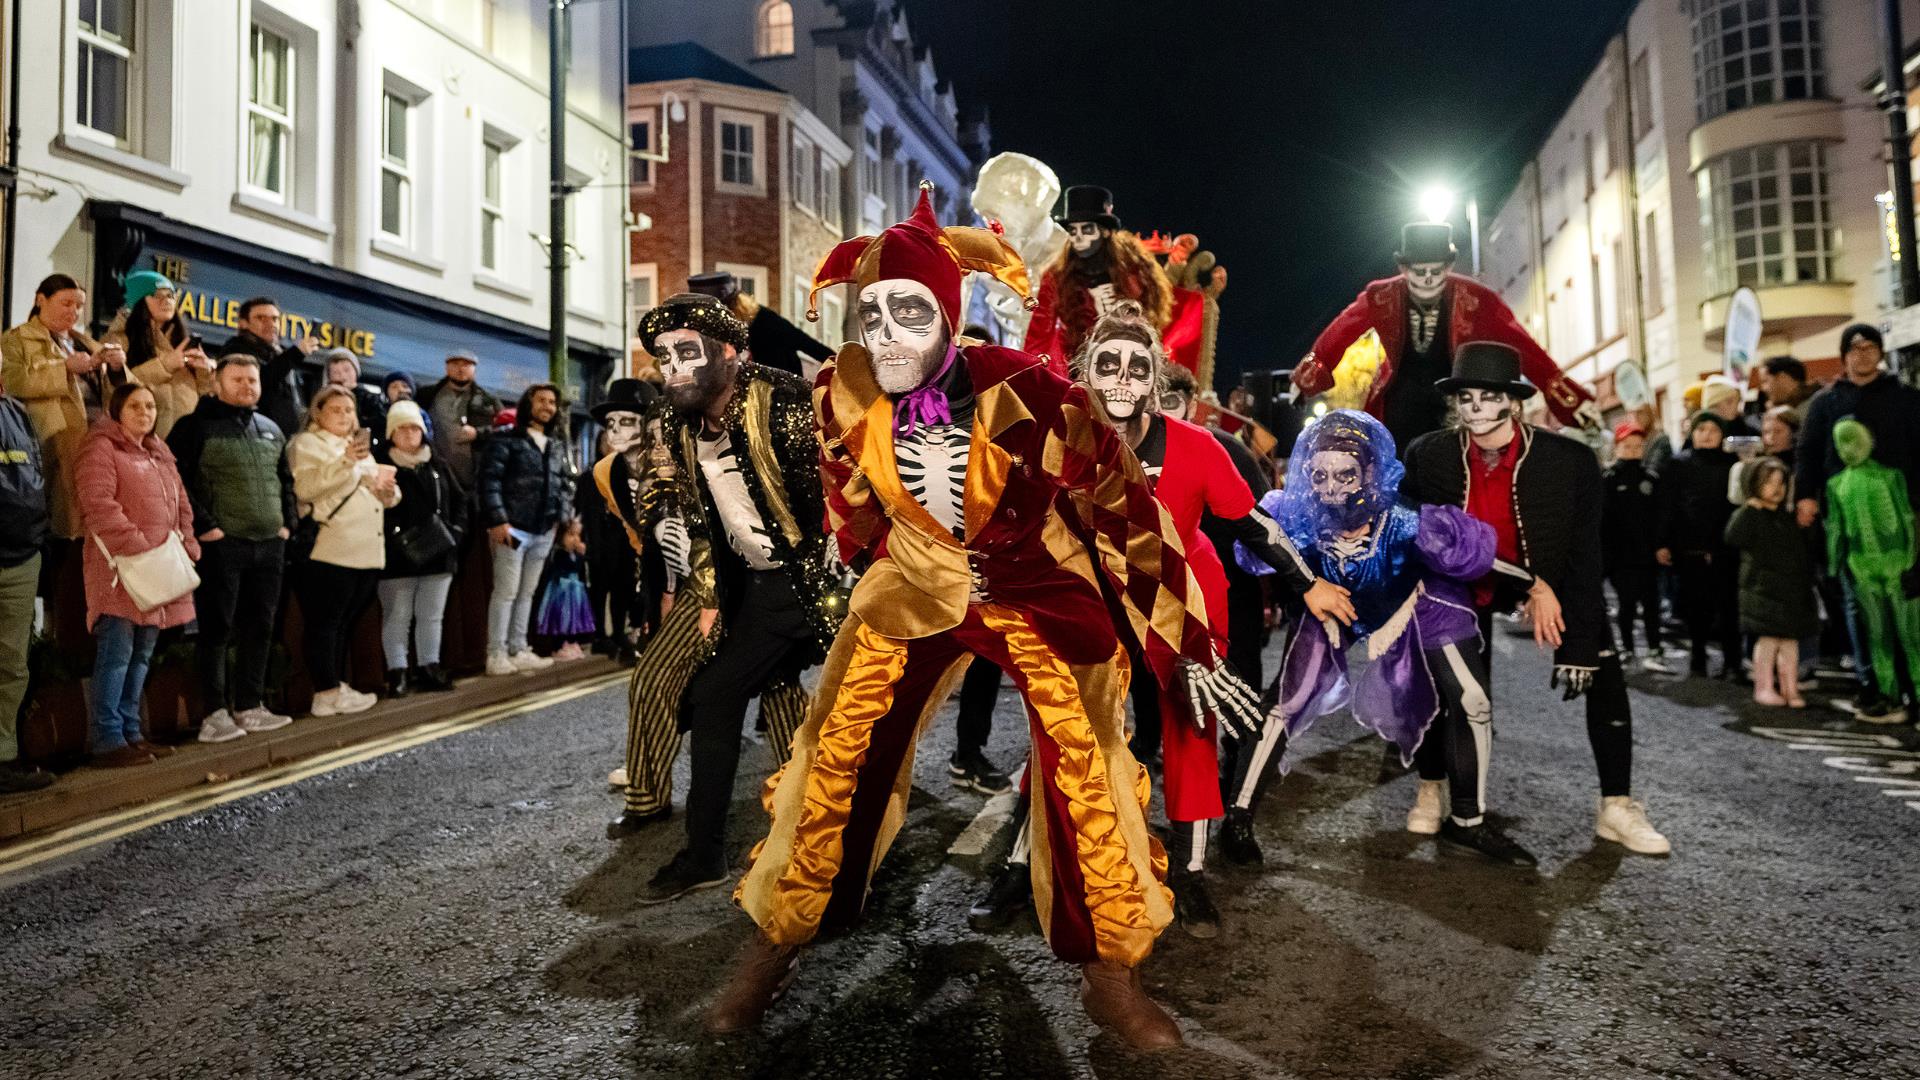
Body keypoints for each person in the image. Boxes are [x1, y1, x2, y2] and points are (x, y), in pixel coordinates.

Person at [715, 185, 1282, 1049]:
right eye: (871, 315)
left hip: (1033, 590)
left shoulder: (1033, 392)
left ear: (949, 317)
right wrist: (869, 554)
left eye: (911, 311)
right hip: (913, 588)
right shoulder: (844, 392)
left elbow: (1127, 512)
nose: (888, 334)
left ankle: (1107, 974)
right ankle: (776, 943)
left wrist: (1190, 644)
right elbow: (851, 497)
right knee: (839, 750)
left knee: (1086, 760)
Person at [1065, 301, 1346, 919]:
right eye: (1105, 365)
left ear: (1153, 381)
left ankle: (1191, 872)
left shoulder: (1197, 447)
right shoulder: (1066, 442)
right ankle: (1042, 863)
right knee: (1068, 725)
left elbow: (1251, 527)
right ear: (1084, 372)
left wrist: (1308, 585)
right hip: (1099, 600)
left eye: (1136, 369)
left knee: (1193, 726)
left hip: (1185, 603)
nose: (1120, 381)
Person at [1404, 342, 1670, 857]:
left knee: (1602, 671)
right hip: (1461, 581)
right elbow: (1420, 536)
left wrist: (1577, 639)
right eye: (1466, 397)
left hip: (1548, 575)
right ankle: (1433, 784)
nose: (1476, 408)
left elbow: (1584, 554)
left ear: (1514, 403)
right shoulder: (1428, 453)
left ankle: (1617, 804)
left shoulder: (1569, 460)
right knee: (1452, 688)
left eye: (1488, 396)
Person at [1241, 410, 1530, 864]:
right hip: (1332, 605)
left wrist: (1536, 584)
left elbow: (1477, 557)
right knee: (1283, 702)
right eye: (1319, 475)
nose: (1332, 488)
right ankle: (1237, 823)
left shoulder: (1408, 521)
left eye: (1345, 474)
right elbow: (1247, 536)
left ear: (1370, 473)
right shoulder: (1298, 518)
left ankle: (1468, 822)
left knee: (1472, 699)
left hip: (1417, 598)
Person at [607, 295, 828, 863]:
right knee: (713, 692)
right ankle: (702, 847)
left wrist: (851, 580)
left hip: (823, 584)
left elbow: (838, 494)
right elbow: (699, 516)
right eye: (663, 358)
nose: (673, 368)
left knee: (854, 712)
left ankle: (836, 836)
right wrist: (704, 591)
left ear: (730, 352)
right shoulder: (676, 425)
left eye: (687, 352)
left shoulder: (783, 399)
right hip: (748, 586)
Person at [1292, 224, 1597, 451]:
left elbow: (1521, 344)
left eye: (1436, 271)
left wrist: (1565, 394)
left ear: (1449, 266)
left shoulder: (1476, 298)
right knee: (1398, 464)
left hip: (1455, 398)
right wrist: (1306, 377)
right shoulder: (1381, 296)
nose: (1427, 278)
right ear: (1403, 268)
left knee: (1456, 460)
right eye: (1419, 270)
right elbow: (1340, 332)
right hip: (1400, 399)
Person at [167, 354, 298, 743]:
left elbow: (285, 481)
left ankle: (250, 705)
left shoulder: (271, 428)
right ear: (217, 384)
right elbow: (177, 481)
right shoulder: (194, 427)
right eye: (238, 380)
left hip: (268, 545)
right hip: (223, 547)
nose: (247, 387)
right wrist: (207, 527)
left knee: (260, 627)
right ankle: (214, 713)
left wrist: (287, 525)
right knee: (216, 630)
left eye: (253, 380)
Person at [77, 383, 210, 766]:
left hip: (157, 570)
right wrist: (140, 545)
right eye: (135, 406)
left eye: (150, 406)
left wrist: (187, 542)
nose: (145, 412)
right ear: (116, 411)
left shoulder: (159, 452)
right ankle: (107, 739)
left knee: (141, 656)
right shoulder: (100, 447)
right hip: (121, 570)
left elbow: (181, 503)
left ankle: (132, 734)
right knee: (116, 654)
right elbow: (97, 504)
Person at [1794, 323, 1920, 722]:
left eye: (1869, 347)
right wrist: (1806, 497)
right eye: (1854, 348)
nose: (1862, 354)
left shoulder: (1905, 398)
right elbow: (1808, 452)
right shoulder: (1827, 403)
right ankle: (1874, 688)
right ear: (1844, 355)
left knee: (1909, 603)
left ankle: (1911, 689)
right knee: (1859, 606)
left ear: (1880, 353)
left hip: (1903, 520)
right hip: (1846, 519)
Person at [288, 385, 399, 716]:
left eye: (349, 410)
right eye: (335, 409)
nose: (344, 416)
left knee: (343, 623)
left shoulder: (360, 449)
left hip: (366, 549)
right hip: (330, 548)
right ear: (317, 413)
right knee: (325, 623)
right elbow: (305, 488)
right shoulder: (306, 444)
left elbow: (383, 493)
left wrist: (388, 492)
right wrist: (345, 463)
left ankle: (336, 685)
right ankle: (325, 691)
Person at [1, 274, 130, 541]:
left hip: (95, 445)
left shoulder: (84, 341)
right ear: (40, 300)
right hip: (49, 445)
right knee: (58, 527)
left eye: (79, 305)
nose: (74, 311)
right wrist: (64, 369)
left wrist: (117, 370)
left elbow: (126, 395)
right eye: (66, 303)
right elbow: (11, 381)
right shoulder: (17, 339)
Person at [1824, 420, 1920, 722]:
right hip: (1872, 566)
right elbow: (1837, 531)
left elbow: (1908, 520)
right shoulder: (1839, 484)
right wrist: (1834, 567)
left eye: (1853, 440)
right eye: (1843, 442)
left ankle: (1902, 697)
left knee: (1905, 637)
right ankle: (1892, 697)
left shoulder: (1888, 477)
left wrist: (1914, 562)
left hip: (1889, 565)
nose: (1849, 448)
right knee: (1885, 636)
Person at [478, 383, 571, 675]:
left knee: (526, 593)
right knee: (505, 592)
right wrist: (497, 520)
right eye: (541, 400)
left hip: (544, 530)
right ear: (527, 404)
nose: (547, 406)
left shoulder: (555, 445)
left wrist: (561, 519)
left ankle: (519, 647)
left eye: (552, 402)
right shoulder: (505, 440)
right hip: (513, 528)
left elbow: (565, 484)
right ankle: (496, 653)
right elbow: (489, 481)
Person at [376, 399, 463, 697]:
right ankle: (397, 672)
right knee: (397, 615)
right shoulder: (379, 465)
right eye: (402, 428)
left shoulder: (438, 465)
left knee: (431, 615)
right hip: (397, 555)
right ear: (391, 433)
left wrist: (456, 532)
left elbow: (460, 501)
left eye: (414, 427)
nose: (409, 433)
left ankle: (429, 667)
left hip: (439, 552)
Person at [1725, 458, 1818, 708]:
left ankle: (1790, 687)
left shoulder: (1785, 518)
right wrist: (1750, 508)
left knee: (1789, 643)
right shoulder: (1751, 515)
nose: (1776, 489)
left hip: (1788, 591)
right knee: (1768, 642)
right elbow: (1733, 537)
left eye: (1781, 483)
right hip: (1761, 590)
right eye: (1768, 483)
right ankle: (1764, 686)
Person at [1658, 413, 1742, 678]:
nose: (1707, 434)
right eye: (1701, 429)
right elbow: (1667, 507)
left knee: (1729, 606)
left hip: (1726, 545)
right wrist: (1663, 542)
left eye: (1713, 430)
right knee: (1696, 607)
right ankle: (1698, 656)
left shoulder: (1732, 463)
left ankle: (1733, 661)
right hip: (1689, 546)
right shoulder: (1677, 464)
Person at [584, 379, 659, 663]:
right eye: (610, 421)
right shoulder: (604, 471)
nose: (613, 429)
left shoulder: (673, 461)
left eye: (626, 420)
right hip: (640, 553)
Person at [0, 383, 52, 793]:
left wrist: (36, 537)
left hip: (20, 556)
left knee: (13, 664)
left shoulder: (17, 412)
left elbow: (36, 476)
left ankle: (4, 757)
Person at [101, 270, 213, 439]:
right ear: (137, 301)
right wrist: (164, 366)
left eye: (171, 295)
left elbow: (205, 399)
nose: (167, 301)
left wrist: (204, 374)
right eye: (157, 295)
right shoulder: (118, 340)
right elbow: (115, 389)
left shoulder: (181, 341)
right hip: (143, 442)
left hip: (188, 443)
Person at [1602, 422, 1670, 672]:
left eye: (1637, 446)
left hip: (1648, 553)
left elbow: (1662, 514)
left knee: (1651, 603)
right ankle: (1627, 647)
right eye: (1627, 446)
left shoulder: (1650, 478)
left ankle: (1655, 648)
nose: (1632, 451)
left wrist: (1661, 544)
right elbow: (1603, 519)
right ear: (1617, 447)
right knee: (1626, 603)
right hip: (1621, 556)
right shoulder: (1608, 479)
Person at [686, 272, 834, 380]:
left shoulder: (766, 321)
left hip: (780, 394)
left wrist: (842, 363)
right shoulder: (712, 332)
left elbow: (806, 343)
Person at [217, 296, 320, 440]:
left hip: (286, 437)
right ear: (243, 323)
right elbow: (261, 379)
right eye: (261, 318)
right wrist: (296, 353)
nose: (270, 323)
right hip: (252, 435)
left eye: (275, 319)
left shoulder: (280, 352)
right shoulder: (236, 348)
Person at [417, 351, 501, 494]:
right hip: (435, 475)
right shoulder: (427, 395)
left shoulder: (488, 401)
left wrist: (478, 433)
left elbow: (504, 431)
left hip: (474, 479)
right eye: (455, 364)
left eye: (466, 365)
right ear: (447, 367)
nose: (461, 368)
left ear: (474, 369)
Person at [535, 519, 595, 661]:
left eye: (577, 535)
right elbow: (563, 567)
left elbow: (578, 567)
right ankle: (559, 645)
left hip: (575, 590)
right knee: (561, 618)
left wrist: (581, 555)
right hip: (561, 591)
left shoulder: (575, 554)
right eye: (571, 535)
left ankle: (572, 641)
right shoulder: (558, 552)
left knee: (574, 618)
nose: (575, 539)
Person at [318, 349, 387, 457]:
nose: (342, 376)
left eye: (346, 370)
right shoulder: (322, 400)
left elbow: (382, 427)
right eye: (336, 372)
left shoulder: (370, 399)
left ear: (355, 371)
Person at [1758, 355, 1811, 425]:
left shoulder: (1812, 410)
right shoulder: (1780, 408)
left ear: (1783, 378)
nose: (1763, 388)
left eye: (1765, 381)